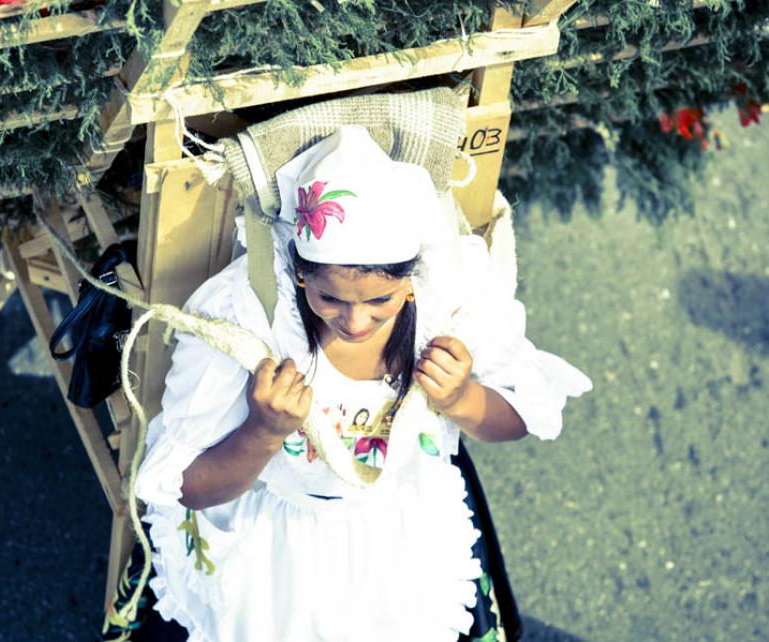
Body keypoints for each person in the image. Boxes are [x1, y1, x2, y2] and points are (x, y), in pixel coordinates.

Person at [135, 126, 592, 642]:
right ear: (301, 274)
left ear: (409, 278)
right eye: (330, 299)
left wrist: (463, 398)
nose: (354, 322)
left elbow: (516, 420)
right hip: (275, 545)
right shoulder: (247, 317)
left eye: (380, 301)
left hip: (399, 532)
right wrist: (262, 432)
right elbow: (189, 488)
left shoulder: (451, 295)